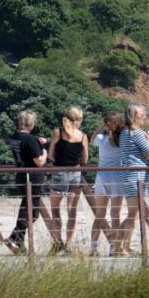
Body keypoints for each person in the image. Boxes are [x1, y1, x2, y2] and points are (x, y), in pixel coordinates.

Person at [47, 106, 89, 254]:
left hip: (59, 172)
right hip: (75, 173)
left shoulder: (58, 132)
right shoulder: (83, 136)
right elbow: (85, 159)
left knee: (55, 210)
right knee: (72, 211)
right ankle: (69, 246)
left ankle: (58, 242)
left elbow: (51, 155)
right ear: (79, 120)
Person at [6, 109, 48, 254]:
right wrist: (44, 150)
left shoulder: (14, 137)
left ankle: (17, 240)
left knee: (26, 207)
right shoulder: (31, 140)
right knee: (32, 212)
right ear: (31, 123)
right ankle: (14, 238)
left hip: (20, 175)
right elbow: (40, 161)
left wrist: (37, 142)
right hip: (32, 178)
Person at [116, 103, 149, 255]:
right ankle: (121, 246)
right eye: (142, 113)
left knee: (133, 213)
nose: (144, 116)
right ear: (134, 116)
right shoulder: (137, 133)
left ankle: (122, 245)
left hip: (127, 175)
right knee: (133, 213)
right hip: (136, 177)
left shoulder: (125, 133)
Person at [91, 113, 123, 256]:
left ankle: (93, 248)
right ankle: (114, 248)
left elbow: (91, 139)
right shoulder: (122, 139)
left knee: (100, 215)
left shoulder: (100, 138)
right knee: (115, 214)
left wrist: (101, 126)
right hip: (117, 176)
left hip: (102, 177)